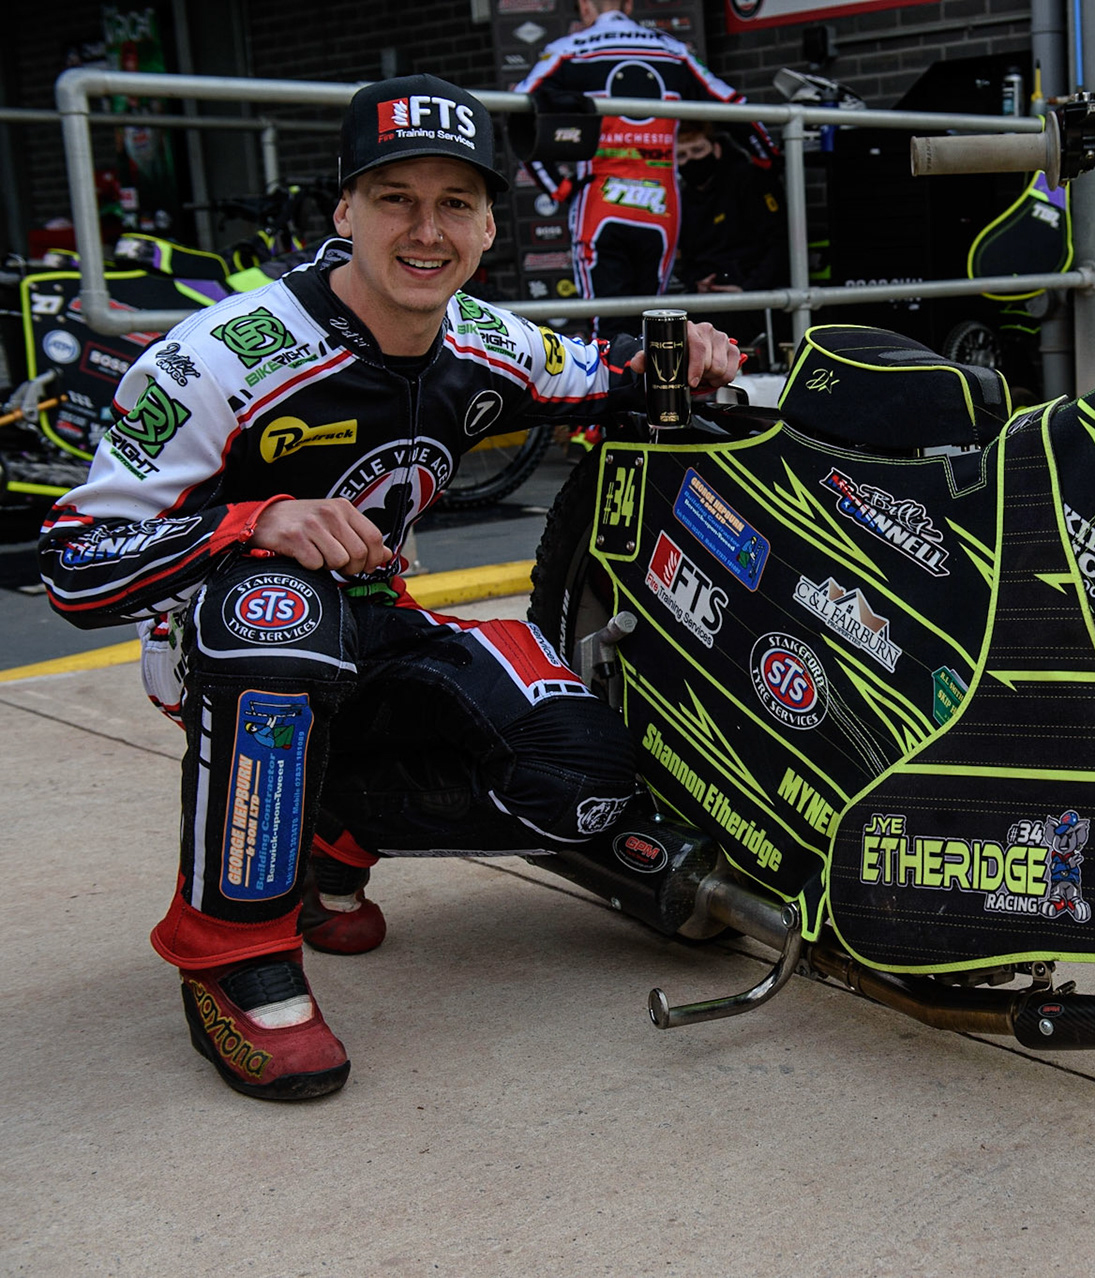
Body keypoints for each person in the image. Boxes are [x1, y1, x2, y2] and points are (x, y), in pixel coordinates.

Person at [38, 73, 738, 1102]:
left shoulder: (488, 340)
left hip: (376, 623)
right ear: (344, 213)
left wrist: (696, 357)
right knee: (278, 606)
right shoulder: (221, 359)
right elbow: (71, 562)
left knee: (582, 775)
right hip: (223, 644)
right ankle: (233, 953)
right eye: (394, 199)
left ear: (490, 224)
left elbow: (601, 371)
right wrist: (250, 520)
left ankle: (327, 836)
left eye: (455, 203)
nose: (426, 230)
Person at [514, 0, 770, 332]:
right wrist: (769, 156)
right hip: (660, 208)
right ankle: (646, 384)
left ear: (584, 7)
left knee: (607, 329)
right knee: (652, 326)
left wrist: (558, 186)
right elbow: (734, 106)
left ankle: (615, 383)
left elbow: (520, 108)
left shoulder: (569, 50)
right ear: (629, 5)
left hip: (601, 204)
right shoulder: (674, 51)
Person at [673, 117, 787, 296]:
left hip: (753, 296)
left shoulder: (749, 181)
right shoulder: (682, 200)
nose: (691, 160)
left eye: (697, 150)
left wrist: (749, 289)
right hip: (705, 297)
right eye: (682, 155)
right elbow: (684, 259)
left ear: (716, 149)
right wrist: (697, 282)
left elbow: (779, 242)